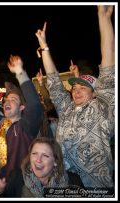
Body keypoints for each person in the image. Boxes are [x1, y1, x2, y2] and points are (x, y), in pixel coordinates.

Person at [35, 5, 114, 188]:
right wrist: (44, 47)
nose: (76, 90)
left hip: (94, 186)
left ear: (94, 93)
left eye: (83, 88)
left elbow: (109, 66)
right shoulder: (66, 108)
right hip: (62, 182)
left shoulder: (103, 107)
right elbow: (54, 83)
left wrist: (104, 17)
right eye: (74, 87)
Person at [0, 137, 84, 197]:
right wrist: (0, 191)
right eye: (34, 154)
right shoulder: (16, 177)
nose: (38, 159)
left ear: (55, 162)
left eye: (45, 155)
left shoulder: (73, 181)